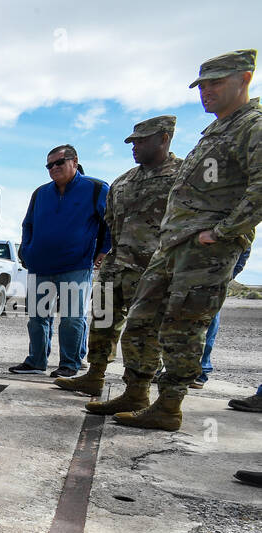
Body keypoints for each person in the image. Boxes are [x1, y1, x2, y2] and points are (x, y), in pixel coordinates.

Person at [100, 50, 261, 431]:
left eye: (216, 83)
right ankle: (136, 392)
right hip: (172, 248)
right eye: (202, 86)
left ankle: (169, 405)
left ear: (245, 79)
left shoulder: (252, 126)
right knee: (142, 321)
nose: (206, 92)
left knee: (183, 325)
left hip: (204, 249)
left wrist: (222, 232)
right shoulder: (216, 131)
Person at [55, 118, 181, 398]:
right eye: (132, 142)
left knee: (145, 331)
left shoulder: (182, 176)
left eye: (141, 140)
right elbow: (110, 222)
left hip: (155, 269)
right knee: (101, 322)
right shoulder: (124, 181)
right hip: (116, 267)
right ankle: (95, 376)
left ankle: (137, 391)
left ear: (164, 138)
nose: (134, 147)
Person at [10, 144, 110, 376]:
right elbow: (28, 224)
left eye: (59, 163)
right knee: (37, 319)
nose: (53, 168)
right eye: (49, 165)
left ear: (74, 162)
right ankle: (36, 362)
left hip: (76, 266)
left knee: (72, 318)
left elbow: (110, 223)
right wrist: (26, 250)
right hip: (41, 265)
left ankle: (69, 364)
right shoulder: (41, 193)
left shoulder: (96, 188)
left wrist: (104, 250)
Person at [192, 247, 251, 387]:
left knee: (207, 325)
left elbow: (244, 247)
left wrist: (225, 276)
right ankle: (166, 369)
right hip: (184, 273)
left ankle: (200, 372)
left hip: (213, 278)